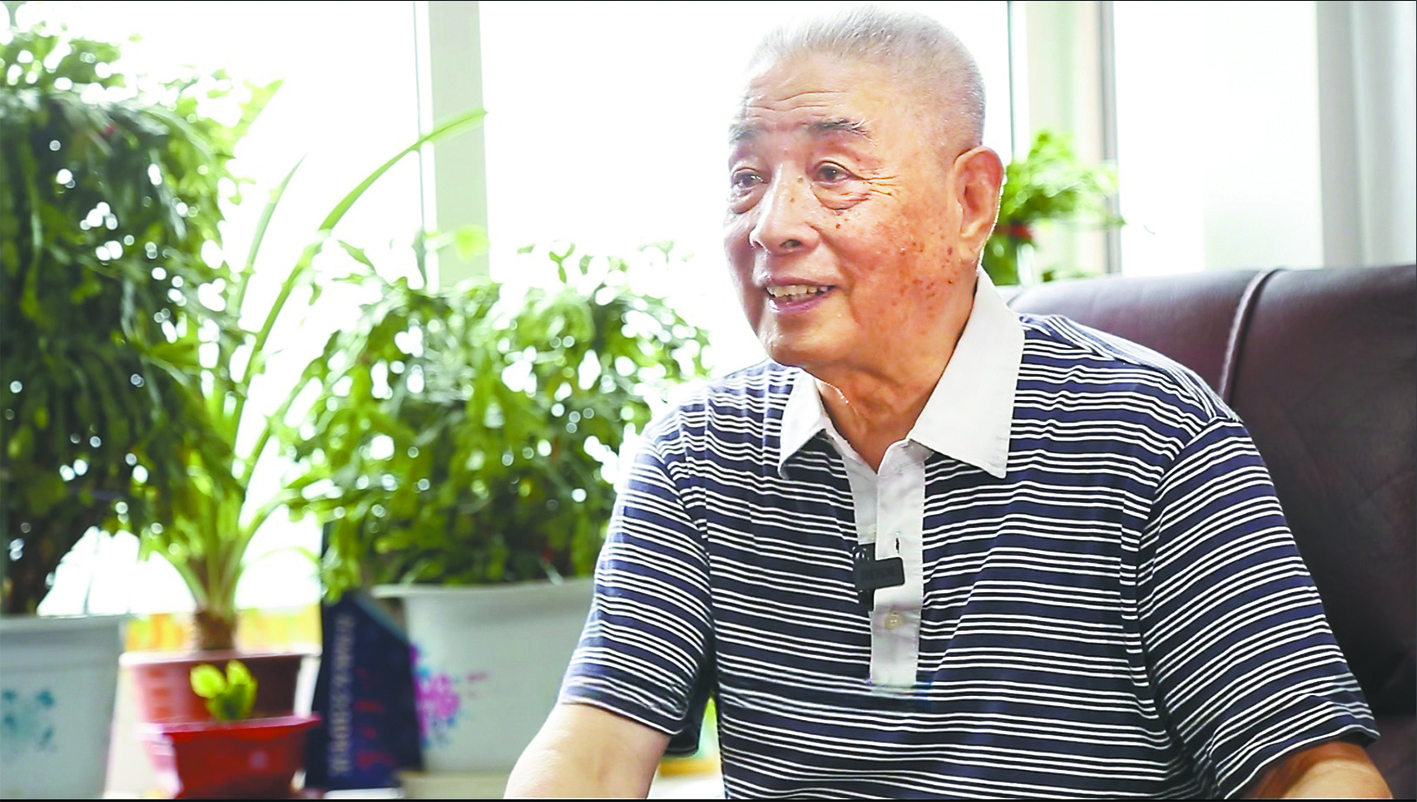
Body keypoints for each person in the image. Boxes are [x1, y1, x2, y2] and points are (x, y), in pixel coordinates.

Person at [506, 7, 1390, 798]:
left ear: (969, 201)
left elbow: (1312, 771)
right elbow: (591, 752)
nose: (771, 224)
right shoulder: (698, 452)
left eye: (832, 171)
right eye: (745, 178)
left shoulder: (1149, 433)